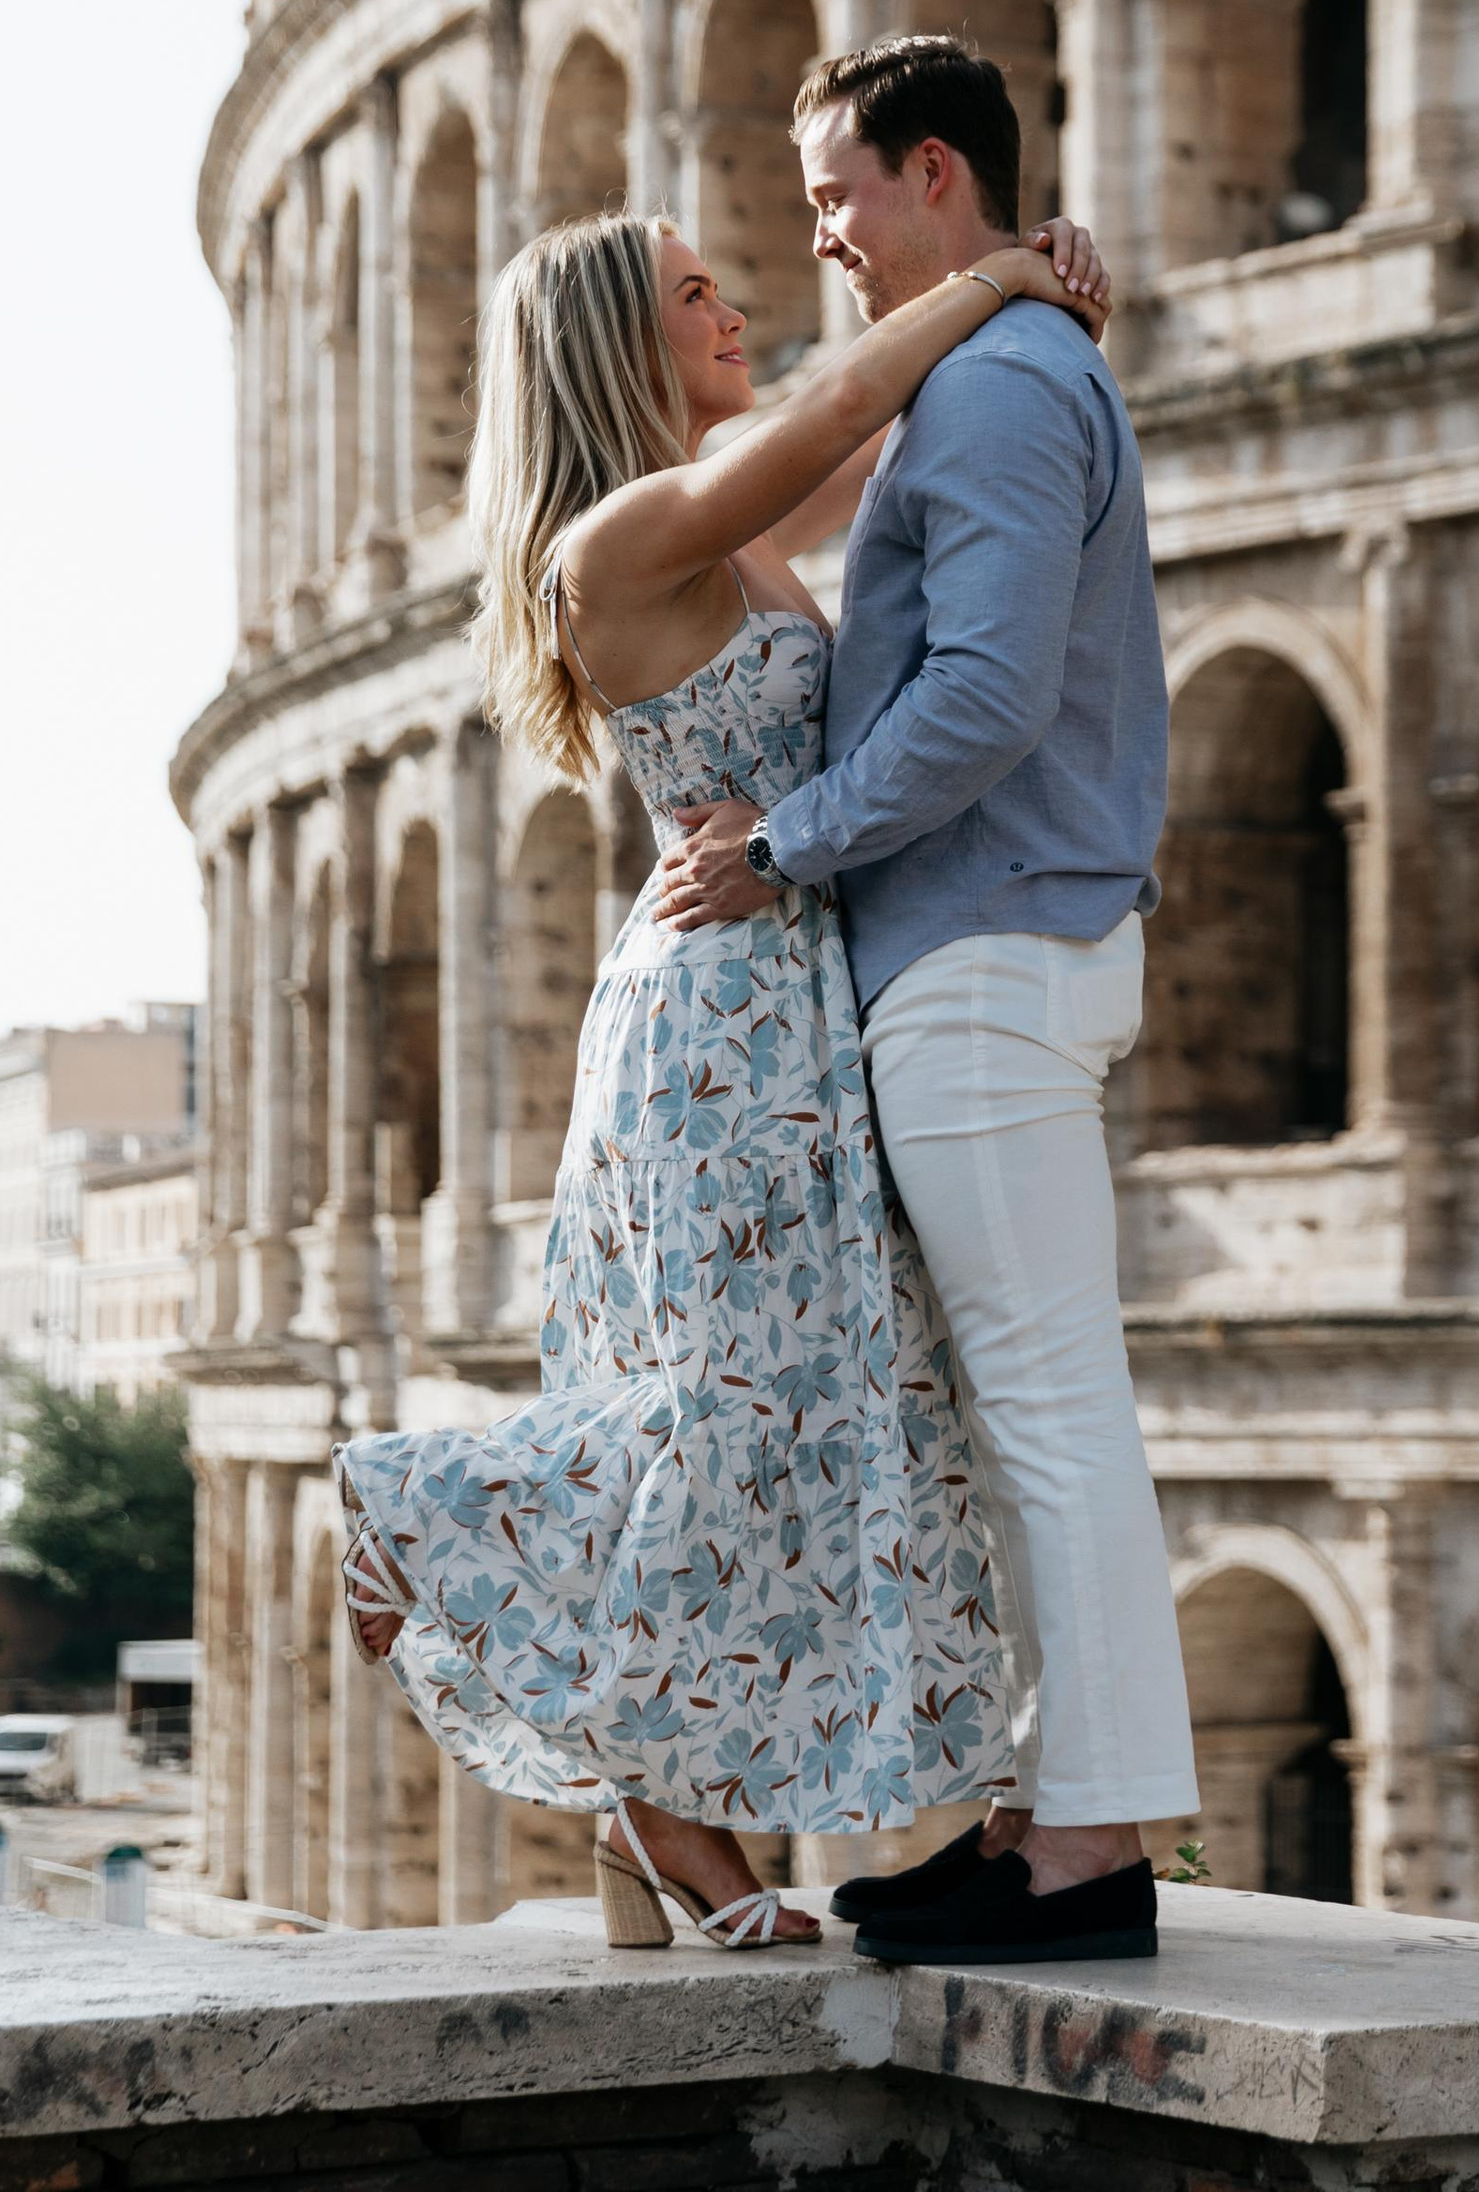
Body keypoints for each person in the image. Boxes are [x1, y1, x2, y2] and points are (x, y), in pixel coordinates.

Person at [332, 195, 1108, 1953]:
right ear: (622, 346)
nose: (734, 305)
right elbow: (842, 421)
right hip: (718, 1021)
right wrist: (987, 271)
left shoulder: (724, 530)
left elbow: (908, 446)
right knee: (733, 1404)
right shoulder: (623, 537)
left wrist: (1045, 316)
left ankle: (653, 1822)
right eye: (694, 294)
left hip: (783, 998)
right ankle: (421, 1512)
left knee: (789, 1396)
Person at [659, 37, 1196, 1969]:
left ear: (935, 172)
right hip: (1006, 938)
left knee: (1051, 1415)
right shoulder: (1012, 368)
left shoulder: (995, 398)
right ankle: (1062, 1825)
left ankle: (1086, 1857)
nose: (817, 230)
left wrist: (779, 843)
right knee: (1035, 1412)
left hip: (980, 948)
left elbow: (978, 700)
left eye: (837, 191)